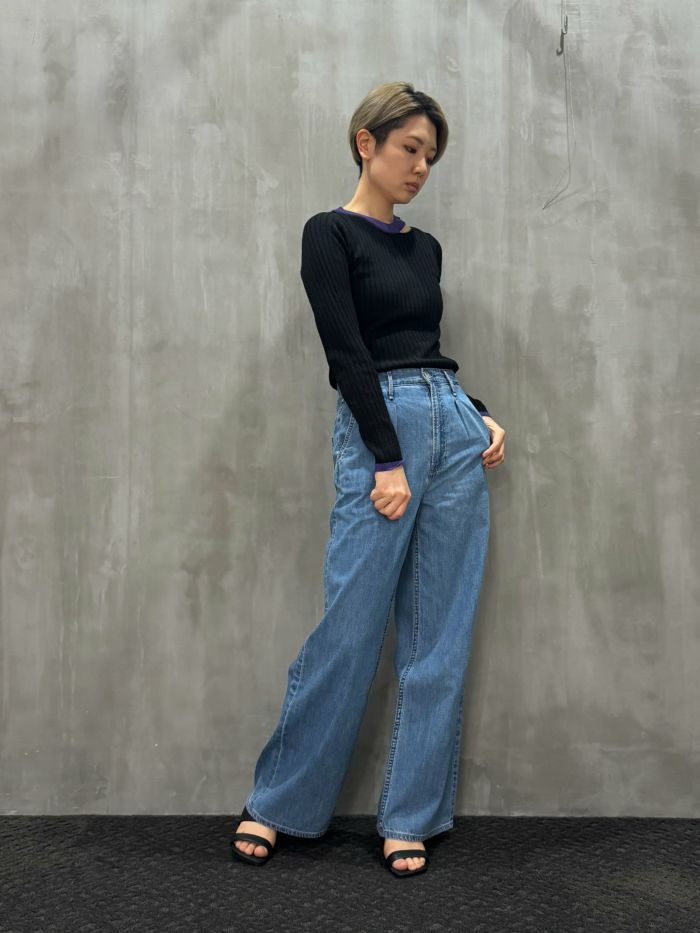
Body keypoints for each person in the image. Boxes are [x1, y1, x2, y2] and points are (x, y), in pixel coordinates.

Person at [231, 81, 506, 877]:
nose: (421, 166)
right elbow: (349, 352)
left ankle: (410, 815)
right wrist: (386, 458)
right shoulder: (329, 234)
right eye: (409, 148)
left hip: (451, 425)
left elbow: (424, 347)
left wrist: (476, 413)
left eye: (430, 156)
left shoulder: (427, 248)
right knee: (348, 628)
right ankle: (279, 802)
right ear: (367, 143)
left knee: (437, 638)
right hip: (381, 424)